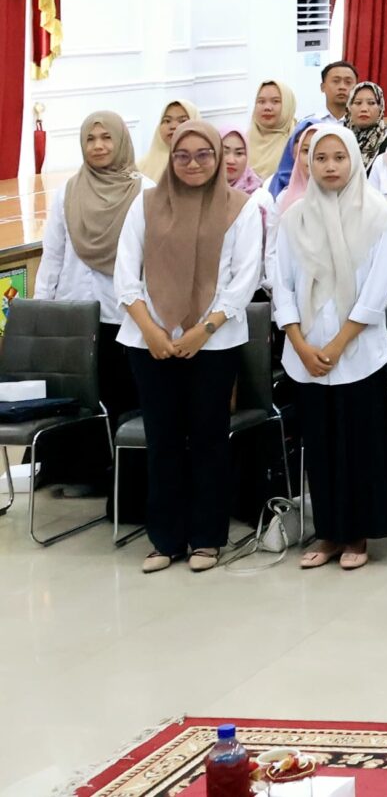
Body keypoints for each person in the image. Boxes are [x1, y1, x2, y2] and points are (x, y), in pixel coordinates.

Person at [114, 119, 260, 572]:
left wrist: (203, 330)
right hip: (149, 341)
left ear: (218, 158)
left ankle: (207, 539)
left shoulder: (241, 208)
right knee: (163, 441)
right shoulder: (145, 205)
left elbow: (244, 278)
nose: (192, 163)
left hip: (214, 343)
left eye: (203, 155)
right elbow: (126, 274)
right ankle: (165, 540)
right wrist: (151, 330)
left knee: (209, 439)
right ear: (170, 158)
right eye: (182, 155)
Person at [273, 124, 387, 571]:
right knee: (320, 446)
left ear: (354, 160)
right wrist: (300, 344)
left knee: (358, 447)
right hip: (305, 355)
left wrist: (340, 342)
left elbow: (378, 288)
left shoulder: (378, 214)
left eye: (339, 157)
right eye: (321, 158)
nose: (330, 166)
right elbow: (281, 284)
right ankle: (327, 532)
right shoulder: (293, 217)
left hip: (359, 353)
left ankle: (358, 534)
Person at [35, 111, 144, 488]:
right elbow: (53, 255)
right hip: (73, 312)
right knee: (76, 397)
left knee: (117, 393)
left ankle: (119, 479)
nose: (98, 146)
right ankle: (76, 473)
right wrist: (44, 309)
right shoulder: (69, 191)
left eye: (106, 138)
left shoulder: (143, 191)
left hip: (122, 314)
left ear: (121, 140)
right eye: (90, 139)